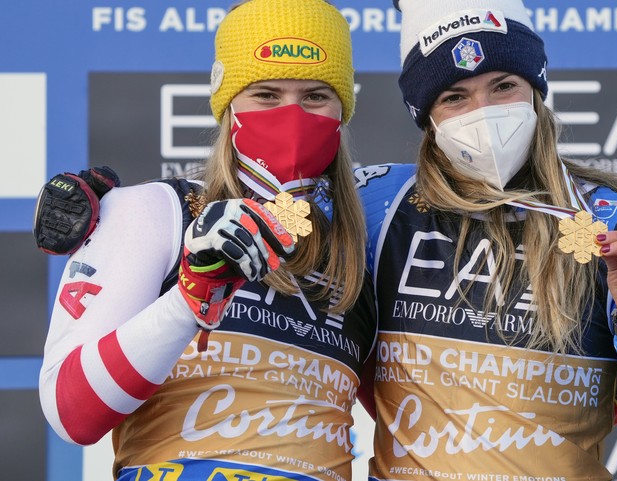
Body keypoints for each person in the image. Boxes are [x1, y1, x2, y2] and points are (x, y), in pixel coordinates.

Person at [354, 1, 617, 480]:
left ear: (536, 90)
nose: (483, 115)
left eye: (503, 86)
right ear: (427, 118)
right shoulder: (379, 205)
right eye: (455, 97)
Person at [36, 1, 375, 480]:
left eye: (316, 95)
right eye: (266, 94)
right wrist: (188, 299)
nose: (291, 116)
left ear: (343, 108)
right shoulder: (155, 211)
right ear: (228, 104)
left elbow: (421, 415)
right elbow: (70, 414)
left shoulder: (357, 245)